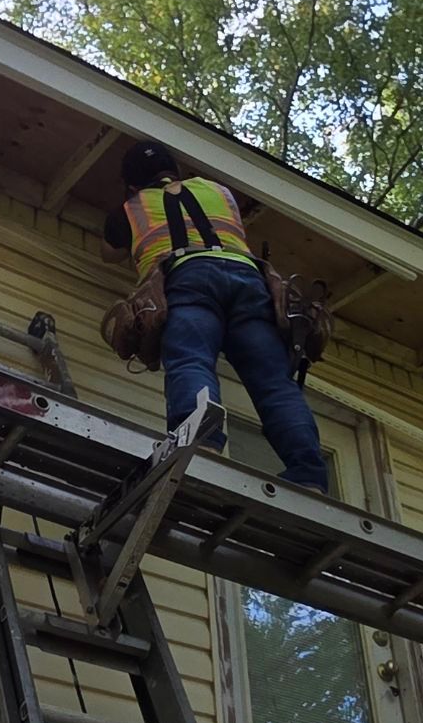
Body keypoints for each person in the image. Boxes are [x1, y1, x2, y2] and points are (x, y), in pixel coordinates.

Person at [103, 141, 329, 492]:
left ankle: (201, 449)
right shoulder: (219, 192)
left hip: (187, 279)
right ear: (174, 171)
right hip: (250, 282)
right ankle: (309, 474)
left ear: (132, 185)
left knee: (192, 362)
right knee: (273, 383)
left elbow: (109, 253)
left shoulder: (131, 209)